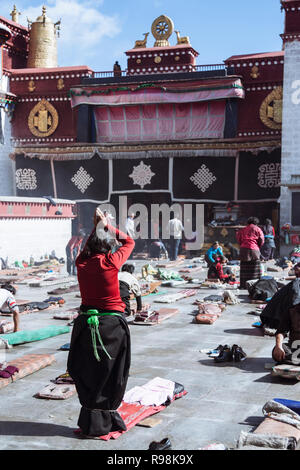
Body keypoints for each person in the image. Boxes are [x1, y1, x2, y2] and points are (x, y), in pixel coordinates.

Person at [67, 208, 134, 438]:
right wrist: (106, 226)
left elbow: (87, 250)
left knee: (88, 373)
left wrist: (98, 227)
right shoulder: (112, 262)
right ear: (108, 246)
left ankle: (89, 421)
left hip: (85, 325)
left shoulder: (81, 264)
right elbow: (129, 241)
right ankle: (107, 420)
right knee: (111, 374)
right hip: (112, 327)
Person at [260, 263, 300, 364]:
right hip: (295, 346)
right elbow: (281, 331)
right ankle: (294, 360)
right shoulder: (292, 310)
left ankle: (294, 361)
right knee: (277, 353)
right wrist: (278, 346)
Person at [236, 217, 264, 289]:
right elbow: (261, 239)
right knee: (255, 268)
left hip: (244, 249)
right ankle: (255, 285)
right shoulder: (258, 229)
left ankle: (243, 285)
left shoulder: (243, 229)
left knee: (244, 268)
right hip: (254, 250)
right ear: (256, 223)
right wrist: (257, 246)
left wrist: (242, 245)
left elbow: (239, 239)